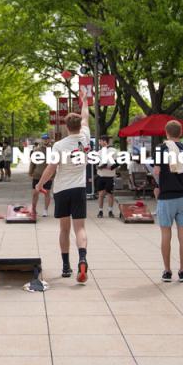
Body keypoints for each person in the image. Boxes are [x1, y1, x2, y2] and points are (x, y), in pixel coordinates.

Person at [36, 88, 90, 283]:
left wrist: (40, 184)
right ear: (79, 126)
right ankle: (82, 259)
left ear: (67, 126)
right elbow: (85, 116)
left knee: (64, 229)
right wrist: (84, 100)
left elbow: (51, 168)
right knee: (80, 228)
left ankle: (66, 266)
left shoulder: (59, 145)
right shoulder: (85, 137)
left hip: (62, 190)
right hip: (79, 188)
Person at [154, 120, 183, 283]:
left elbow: (156, 172)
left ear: (166, 132)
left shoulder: (161, 149)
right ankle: (182, 271)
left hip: (166, 198)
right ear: (181, 133)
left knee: (166, 234)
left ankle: (167, 271)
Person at [29, 134, 53, 216]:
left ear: (49, 140)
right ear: (41, 140)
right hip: (37, 174)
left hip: (48, 175)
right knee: (35, 193)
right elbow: (32, 162)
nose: (45, 140)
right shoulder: (37, 150)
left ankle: (45, 210)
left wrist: (54, 174)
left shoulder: (53, 150)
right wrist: (30, 171)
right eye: (44, 139)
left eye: (47, 139)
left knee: (47, 193)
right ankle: (34, 209)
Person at [96, 135, 118, 218]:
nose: (99, 142)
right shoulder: (99, 152)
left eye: (100, 141)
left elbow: (118, 162)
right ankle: (100, 211)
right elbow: (96, 163)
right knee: (101, 194)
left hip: (110, 176)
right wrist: (98, 166)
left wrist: (110, 167)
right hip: (101, 175)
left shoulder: (113, 151)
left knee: (110, 194)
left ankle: (110, 211)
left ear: (105, 141)